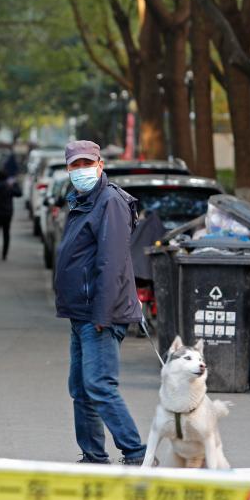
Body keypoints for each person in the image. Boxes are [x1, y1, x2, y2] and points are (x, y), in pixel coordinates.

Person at [54, 140, 147, 465]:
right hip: (81, 313)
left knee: (99, 385)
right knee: (80, 388)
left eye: (86, 164)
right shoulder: (82, 201)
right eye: (75, 166)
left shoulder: (110, 201)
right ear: (68, 170)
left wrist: (102, 314)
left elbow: (112, 262)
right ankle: (93, 455)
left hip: (100, 314)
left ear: (100, 164)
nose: (81, 170)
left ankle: (136, 453)